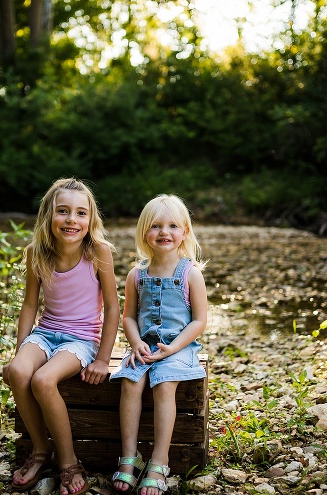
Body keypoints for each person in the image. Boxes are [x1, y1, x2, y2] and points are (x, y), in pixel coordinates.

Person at [3, 177, 120, 495]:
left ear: (90, 219)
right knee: (18, 372)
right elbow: (30, 305)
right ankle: (41, 451)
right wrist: (20, 350)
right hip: (45, 332)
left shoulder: (98, 252)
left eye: (81, 213)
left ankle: (69, 463)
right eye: (63, 211)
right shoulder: (36, 253)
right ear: (48, 216)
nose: (72, 220)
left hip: (81, 339)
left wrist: (103, 358)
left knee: (42, 380)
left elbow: (112, 307)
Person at [110, 194, 208, 495]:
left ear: (185, 232)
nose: (164, 232)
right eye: (155, 226)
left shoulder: (190, 273)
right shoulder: (136, 275)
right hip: (145, 346)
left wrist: (174, 347)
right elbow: (128, 318)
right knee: (130, 381)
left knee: (164, 384)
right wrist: (136, 341)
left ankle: (159, 460)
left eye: (172, 226)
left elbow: (199, 321)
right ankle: (129, 458)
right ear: (144, 233)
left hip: (179, 348)